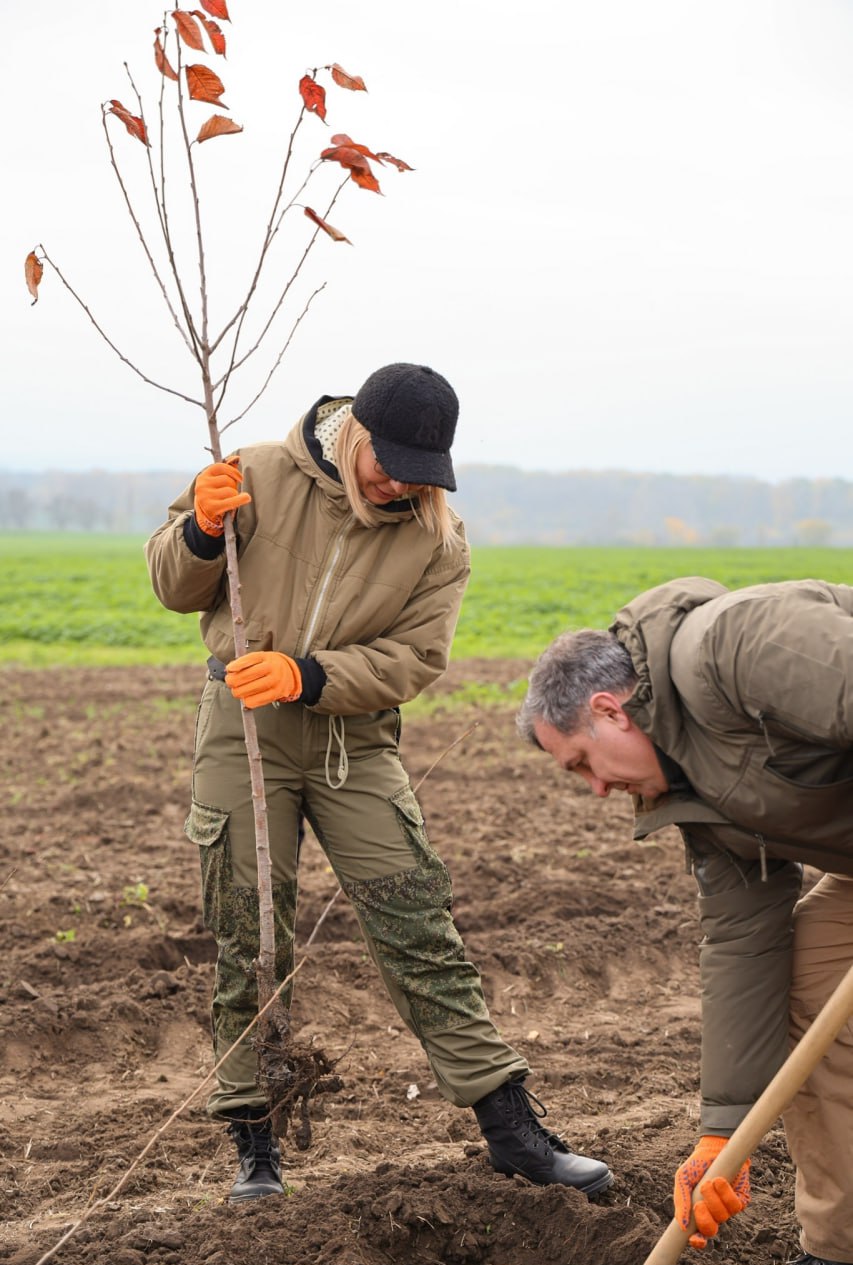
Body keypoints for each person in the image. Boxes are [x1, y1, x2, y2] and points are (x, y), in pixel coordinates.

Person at [145, 362, 613, 1204]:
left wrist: (308, 676)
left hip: (352, 738)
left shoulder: (438, 539)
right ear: (355, 431)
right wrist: (202, 532)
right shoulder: (255, 473)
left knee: (415, 920)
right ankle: (256, 1144)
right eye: (388, 463)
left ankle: (512, 1133)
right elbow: (175, 589)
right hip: (242, 729)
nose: (399, 484)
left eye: (418, 472)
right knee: (249, 931)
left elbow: (415, 658)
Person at [517, 575, 853, 1265]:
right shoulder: (690, 796)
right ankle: (840, 1251)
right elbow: (742, 940)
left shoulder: (732, 645)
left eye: (581, 764)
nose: (596, 789)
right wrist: (721, 1135)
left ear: (608, 711)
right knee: (815, 979)